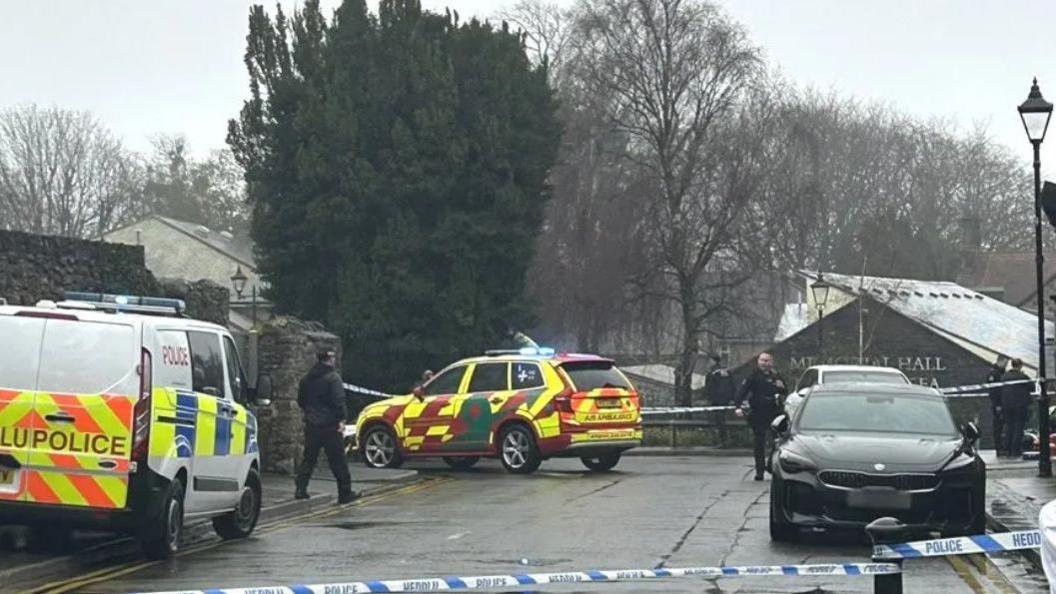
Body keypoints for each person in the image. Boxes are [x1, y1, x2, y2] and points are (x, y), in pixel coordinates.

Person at [294, 350, 356, 503]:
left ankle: (300, 489)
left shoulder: (306, 379)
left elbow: (301, 400)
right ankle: (345, 493)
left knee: (309, 459)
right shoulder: (333, 378)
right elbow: (338, 401)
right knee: (338, 461)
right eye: (333, 357)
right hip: (330, 426)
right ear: (330, 359)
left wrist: (310, 414)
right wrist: (341, 420)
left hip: (312, 425)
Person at [735, 353, 788, 481]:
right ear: (758, 362)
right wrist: (738, 406)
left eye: (767, 361)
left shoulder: (776, 375)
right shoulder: (753, 375)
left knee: (778, 441)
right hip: (758, 411)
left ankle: (772, 466)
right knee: (759, 442)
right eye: (762, 360)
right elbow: (743, 390)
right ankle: (760, 470)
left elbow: (785, 390)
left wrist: (782, 387)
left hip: (774, 411)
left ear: (771, 362)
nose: (765, 363)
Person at [1001, 358, 1032, 459]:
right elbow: (1032, 387)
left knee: (1009, 427)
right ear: (1020, 366)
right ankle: (1016, 450)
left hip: (1007, 406)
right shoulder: (1023, 376)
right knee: (1018, 427)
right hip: (1020, 406)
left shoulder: (1004, 376)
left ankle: (1007, 449)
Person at [986, 356, 1009, 456]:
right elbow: (994, 391)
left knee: (1004, 425)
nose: (1006, 365)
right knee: (998, 427)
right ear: (1001, 361)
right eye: (1005, 363)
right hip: (999, 404)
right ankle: (999, 448)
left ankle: (1004, 447)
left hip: (1005, 403)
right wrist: (997, 404)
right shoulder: (994, 373)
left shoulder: (1002, 372)